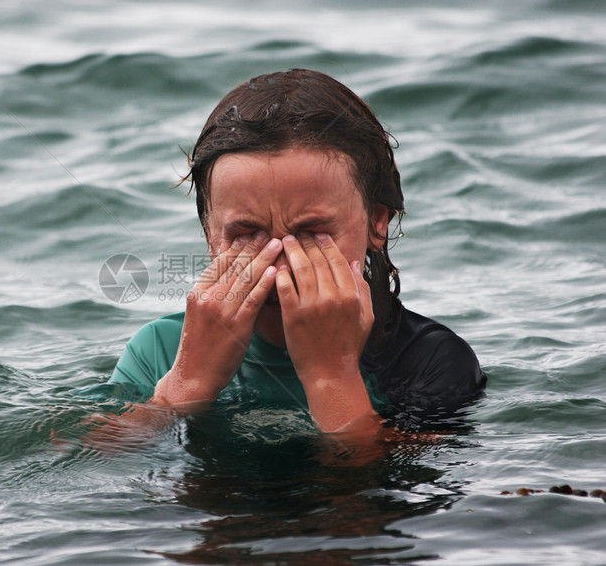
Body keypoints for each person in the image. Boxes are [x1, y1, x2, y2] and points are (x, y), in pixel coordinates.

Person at [107, 69, 486, 438]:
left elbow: (377, 493)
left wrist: (331, 377)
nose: (280, 266)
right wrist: (186, 384)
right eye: (246, 234)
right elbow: (97, 466)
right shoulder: (163, 350)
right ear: (210, 235)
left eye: (311, 234)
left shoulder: (429, 360)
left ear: (377, 221)